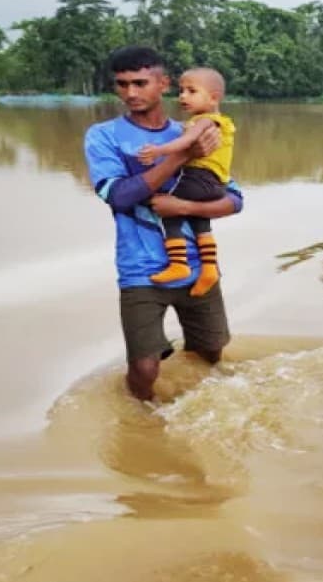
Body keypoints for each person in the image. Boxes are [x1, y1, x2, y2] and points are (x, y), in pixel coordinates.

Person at [84, 46, 244, 401]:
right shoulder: (104, 136)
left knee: (211, 352)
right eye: (122, 85)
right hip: (140, 270)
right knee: (144, 369)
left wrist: (183, 205)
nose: (131, 93)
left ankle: (201, 404)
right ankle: (144, 423)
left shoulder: (195, 128)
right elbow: (120, 197)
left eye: (140, 83)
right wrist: (182, 155)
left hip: (198, 266)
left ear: (163, 84)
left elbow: (234, 199)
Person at [136, 67, 236, 297]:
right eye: (181, 91)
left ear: (213, 98)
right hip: (216, 185)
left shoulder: (205, 121)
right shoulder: (222, 122)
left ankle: (178, 263)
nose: (183, 96)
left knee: (166, 207)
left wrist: (158, 150)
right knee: (200, 221)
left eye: (191, 91)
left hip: (198, 178)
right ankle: (209, 268)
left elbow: (188, 142)